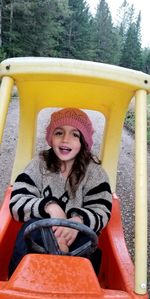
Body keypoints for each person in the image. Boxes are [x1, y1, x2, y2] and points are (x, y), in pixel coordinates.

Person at [9, 108, 112, 275]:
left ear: (83, 141)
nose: (65, 139)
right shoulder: (39, 164)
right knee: (29, 230)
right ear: (51, 138)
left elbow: (101, 210)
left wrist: (78, 221)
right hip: (39, 239)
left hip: (77, 237)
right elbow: (17, 201)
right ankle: (18, 284)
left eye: (74, 134)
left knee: (90, 243)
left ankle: (81, 294)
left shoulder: (95, 173)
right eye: (59, 133)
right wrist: (51, 207)